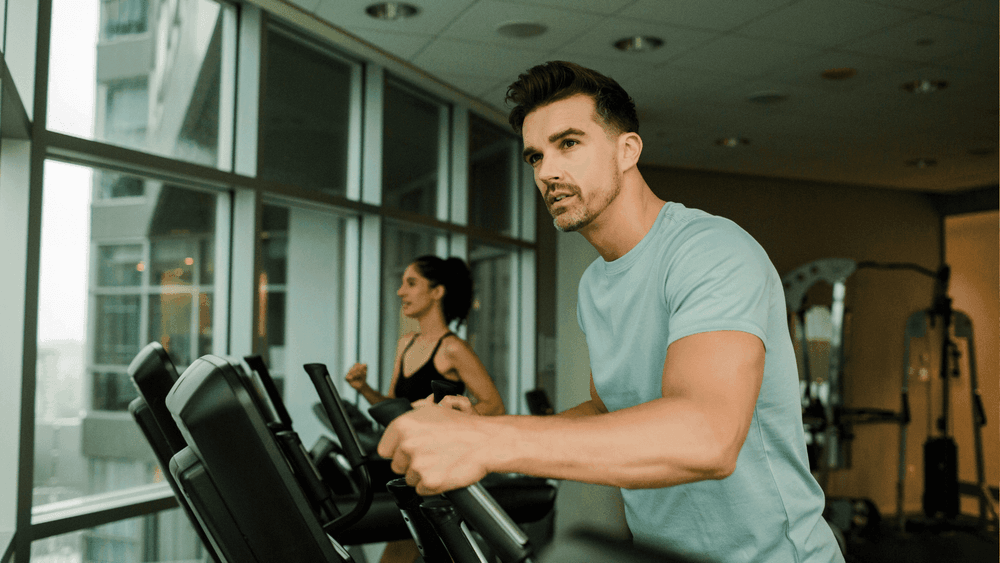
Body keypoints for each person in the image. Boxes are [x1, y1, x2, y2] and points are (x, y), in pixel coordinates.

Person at [376, 62, 845, 563]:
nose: (547, 172)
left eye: (568, 143)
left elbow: (709, 435)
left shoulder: (710, 250)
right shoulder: (595, 284)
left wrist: (488, 440)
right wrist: (480, 434)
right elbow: (607, 412)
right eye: (536, 156)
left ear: (628, 150)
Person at [346, 255, 505, 563]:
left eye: (411, 283)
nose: (400, 291)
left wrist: (444, 416)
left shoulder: (453, 348)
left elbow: (493, 405)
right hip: (407, 464)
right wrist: (363, 388)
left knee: (402, 550)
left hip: (437, 466)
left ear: (436, 292)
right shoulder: (405, 343)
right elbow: (396, 408)